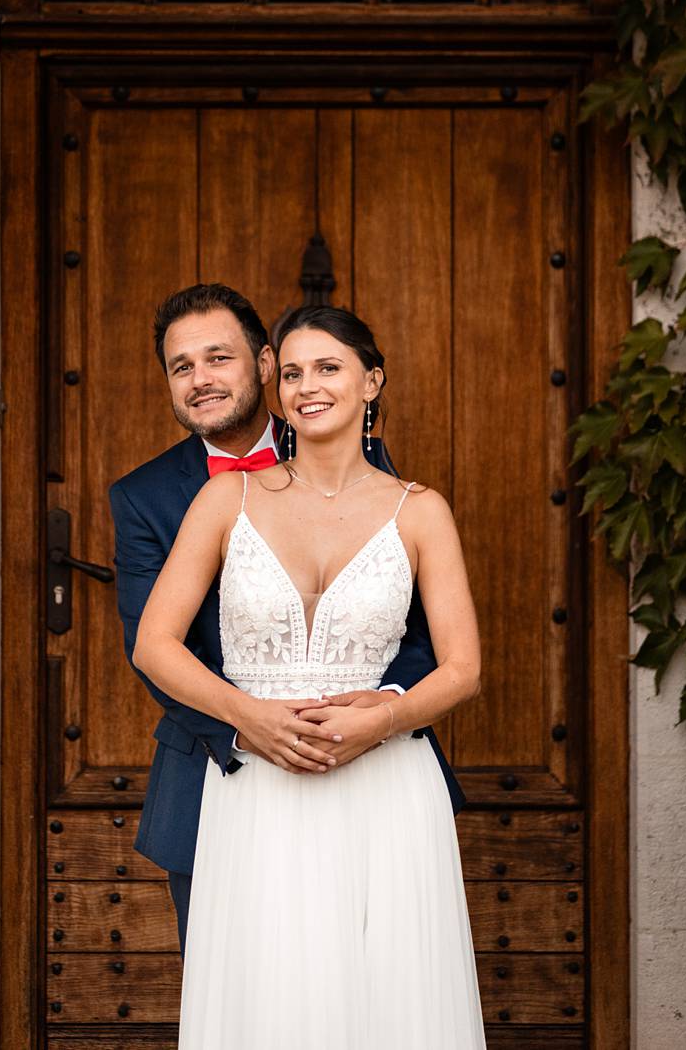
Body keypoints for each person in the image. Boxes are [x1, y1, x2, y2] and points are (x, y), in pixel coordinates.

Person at [134, 303, 487, 1049]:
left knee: (389, 999)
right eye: (292, 371)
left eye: (328, 367)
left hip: (386, 786)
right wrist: (247, 717)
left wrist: (386, 717)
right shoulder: (223, 499)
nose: (305, 386)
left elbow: (461, 666)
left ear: (371, 381)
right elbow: (155, 644)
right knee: (268, 999)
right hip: (259, 786)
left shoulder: (421, 512)